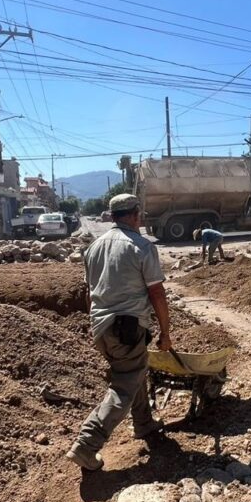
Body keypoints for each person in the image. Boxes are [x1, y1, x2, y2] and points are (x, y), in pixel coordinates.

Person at [66, 193, 173, 471]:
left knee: (133, 372)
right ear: (136, 214)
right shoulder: (141, 247)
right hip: (127, 328)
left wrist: (96, 324)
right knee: (124, 386)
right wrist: (165, 331)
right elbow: (157, 293)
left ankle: (144, 424)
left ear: (113, 217)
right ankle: (86, 444)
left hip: (102, 327)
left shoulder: (93, 248)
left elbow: (89, 294)